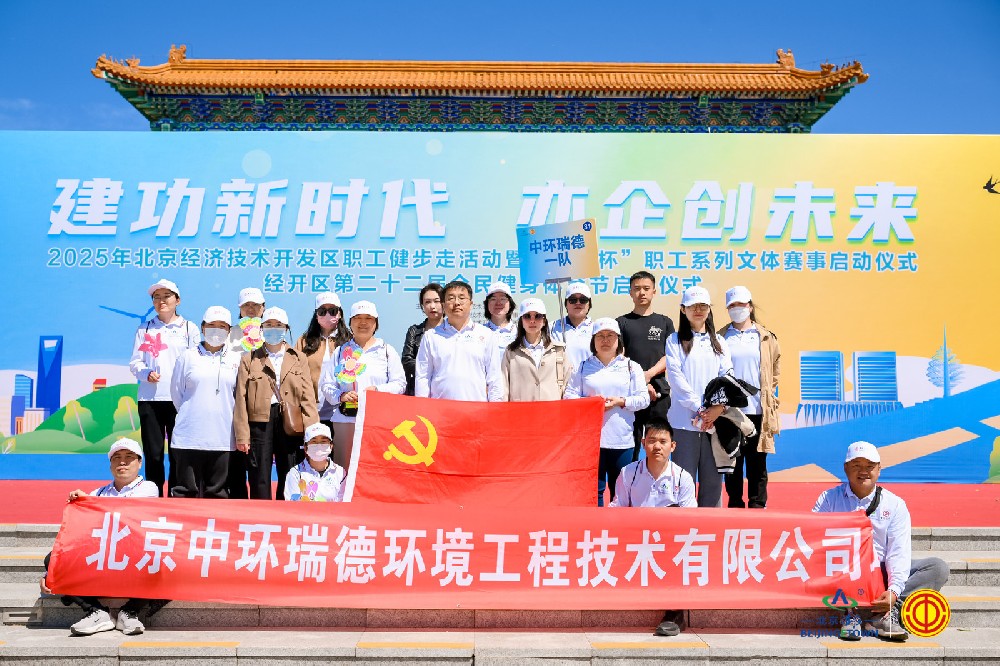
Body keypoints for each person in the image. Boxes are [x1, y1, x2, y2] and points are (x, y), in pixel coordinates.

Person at [815, 442, 949, 642]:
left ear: (879, 469)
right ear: (845, 468)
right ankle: (849, 612)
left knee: (937, 568)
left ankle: (885, 613)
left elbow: (898, 552)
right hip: (843, 571)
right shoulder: (828, 499)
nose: (863, 471)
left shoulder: (895, 504)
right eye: (856, 465)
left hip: (881, 571)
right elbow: (815, 542)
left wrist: (894, 591)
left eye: (869, 466)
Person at [39, 438, 159, 636]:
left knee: (163, 557)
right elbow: (80, 532)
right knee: (53, 559)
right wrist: (51, 573)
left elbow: (126, 513)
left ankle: (130, 612)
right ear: (110, 465)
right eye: (116, 458)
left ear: (139, 463)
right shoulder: (99, 493)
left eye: (129, 457)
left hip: (135, 557)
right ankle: (97, 612)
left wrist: (89, 501)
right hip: (103, 556)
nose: (122, 462)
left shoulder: (148, 488)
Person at [609, 418, 693, 638]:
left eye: (663, 442)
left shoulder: (683, 478)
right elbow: (617, 509)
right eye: (652, 441)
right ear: (643, 443)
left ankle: (674, 614)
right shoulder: (628, 473)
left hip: (669, 543)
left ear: (672, 446)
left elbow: (690, 520)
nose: (657, 446)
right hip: (636, 539)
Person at [234, 307, 318, 500]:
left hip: (290, 421)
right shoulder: (249, 359)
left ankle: (286, 513)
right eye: (269, 325)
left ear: (286, 328)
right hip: (259, 422)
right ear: (261, 328)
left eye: (279, 325)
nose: (274, 329)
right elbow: (241, 399)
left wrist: (312, 432)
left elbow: (307, 397)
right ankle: (261, 513)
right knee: (259, 474)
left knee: (290, 472)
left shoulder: (298, 357)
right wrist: (242, 435)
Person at [564, 318, 650, 506]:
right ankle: (596, 525)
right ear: (593, 340)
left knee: (621, 492)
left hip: (622, 440)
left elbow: (643, 399)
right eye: (600, 336)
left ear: (618, 339)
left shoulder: (631, 367)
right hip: (591, 441)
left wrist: (621, 401)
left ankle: (619, 525)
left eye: (610, 335)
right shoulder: (583, 367)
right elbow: (569, 396)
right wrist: (591, 403)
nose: (605, 340)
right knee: (595, 491)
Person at [128, 278, 199, 496]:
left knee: (179, 452)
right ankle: (154, 493)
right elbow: (135, 362)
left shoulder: (189, 328)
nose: (161, 301)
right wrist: (146, 373)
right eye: (156, 298)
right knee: (154, 453)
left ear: (178, 300)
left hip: (180, 400)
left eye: (166, 296)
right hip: (150, 399)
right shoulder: (145, 328)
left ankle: (177, 495)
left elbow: (197, 362)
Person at [664, 286, 733, 507]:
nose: (698, 310)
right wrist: (700, 408)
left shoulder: (719, 341)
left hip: (714, 423)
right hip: (684, 423)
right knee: (683, 482)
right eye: (693, 306)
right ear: (683, 309)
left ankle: (711, 525)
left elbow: (727, 376)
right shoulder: (674, 340)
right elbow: (676, 378)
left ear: (709, 309)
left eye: (703, 306)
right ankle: (683, 525)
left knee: (713, 483)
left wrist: (717, 409)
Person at [320, 300, 406, 470]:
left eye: (368, 318)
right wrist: (341, 396)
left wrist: (378, 390)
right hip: (346, 419)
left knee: (375, 467)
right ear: (350, 322)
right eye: (357, 318)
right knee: (345, 467)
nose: (363, 323)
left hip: (378, 420)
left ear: (376, 323)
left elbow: (400, 383)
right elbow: (327, 384)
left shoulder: (386, 350)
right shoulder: (340, 352)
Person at [718, 286, 781, 509]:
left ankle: (757, 506)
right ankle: (735, 505)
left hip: (757, 410)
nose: (737, 309)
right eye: (732, 305)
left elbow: (775, 371)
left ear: (750, 307)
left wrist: (767, 394)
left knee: (757, 464)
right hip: (730, 412)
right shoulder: (720, 337)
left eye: (741, 304)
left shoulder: (765, 337)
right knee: (732, 464)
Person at [169, 306, 241, 498]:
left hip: (222, 437)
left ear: (229, 330)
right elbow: (177, 393)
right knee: (185, 492)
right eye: (211, 325)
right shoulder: (188, 356)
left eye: (222, 326)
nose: (216, 330)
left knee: (217, 493)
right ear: (202, 327)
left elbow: (238, 396)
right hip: (189, 437)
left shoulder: (236, 358)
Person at [617, 271, 675, 460]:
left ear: (654, 291)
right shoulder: (621, 323)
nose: (641, 292)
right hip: (630, 394)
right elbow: (619, 357)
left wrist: (649, 375)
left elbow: (670, 356)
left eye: (646, 288)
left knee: (658, 443)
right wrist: (640, 382)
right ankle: (629, 478)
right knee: (631, 447)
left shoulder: (665, 322)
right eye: (637, 289)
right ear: (630, 292)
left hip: (658, 394)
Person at [415, 280, 501, 401]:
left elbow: (494, 379)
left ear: (471, 304)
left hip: (476, 408)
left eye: (462, 298)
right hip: (440, 409)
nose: (456, 303)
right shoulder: (431, 336)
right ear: (444, 305)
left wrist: (495, 408)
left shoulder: (486, 335)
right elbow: (423, 377)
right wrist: (422, 408)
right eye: (451, 298)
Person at [295, 292, 351, 430]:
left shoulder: (350, 341)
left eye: (332, 311)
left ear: (340, 314)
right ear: (316, 315)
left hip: (342, 411)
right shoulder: (304, 341)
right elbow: (295, 375)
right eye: (322, 311)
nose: (327, 315)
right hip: (311, 412)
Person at [498, 298, 569, 401]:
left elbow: (568, 384)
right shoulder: (511, 352)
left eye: (538, 316)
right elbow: (504, 387)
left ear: (544, 321)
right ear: (521, 321)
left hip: (552, 409)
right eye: (527, 316)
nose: (532, 320)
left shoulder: (558, 350)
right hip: (521, 409)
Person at [284, 422, 347, 502]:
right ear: (305, 447)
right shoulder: (295, 473)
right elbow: (292, 504)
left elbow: (343, 503)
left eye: (323, 441)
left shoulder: (340, 473)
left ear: (331, 446)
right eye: (314, 442)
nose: (319, 446)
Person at [401, 283, 444, 396]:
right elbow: (407, 361)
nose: (432, 306)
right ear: (422, 306)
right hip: (418, 389)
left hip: (444, 390)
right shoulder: (414, 331)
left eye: (437, 301)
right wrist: (431, 368)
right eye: (427, 302)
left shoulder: (452, 331)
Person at [550, 281, 596, 371]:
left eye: (583, 300)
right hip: (561, 380)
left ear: (589, 304)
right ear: (566, 304)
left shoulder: (597, 329)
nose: (578, 303)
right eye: (573, 300)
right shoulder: (552, 327)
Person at [227, 287, 265, 353]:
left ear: (263, 307)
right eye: (246, 305)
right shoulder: (228, 334)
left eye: (255, 304)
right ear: (240, 308)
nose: (250, 309)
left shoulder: (272, 333)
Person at [482, 281, 517, 347]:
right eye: (493, 299)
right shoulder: (479, 331)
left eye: (503, 299)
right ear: (487, 304)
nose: (498, 303)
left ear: (510, 304)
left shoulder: (519, 333)